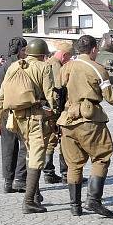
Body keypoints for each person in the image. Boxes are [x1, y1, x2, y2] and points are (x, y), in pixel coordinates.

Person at [57, 35, 113, 217]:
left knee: (73, 164)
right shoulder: (97, 68)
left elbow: (58, 90)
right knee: (101, 157)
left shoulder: (66, 67)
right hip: (90, 119)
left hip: (68, 119)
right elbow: (110, 96)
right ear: (94, 49)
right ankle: (93, 200)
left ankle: (75, 206)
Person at [0, 38, 56, 214]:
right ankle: (29, 200)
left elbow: (1, 97)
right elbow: (50, 95)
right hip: (35, 117)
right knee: (37, 156)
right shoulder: (43, 67)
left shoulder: (14, 66)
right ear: (43, 55)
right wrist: (55, 115)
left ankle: (35, 195)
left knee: (29, 153)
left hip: (15, 119)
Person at [0, 37, 29, 194]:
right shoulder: (21, 65)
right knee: (25, 146)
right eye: (24, 50)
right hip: (19, 111)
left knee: (8, 148)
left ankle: (8, 182)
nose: (26, 53)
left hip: (5, 111)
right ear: (19, 50)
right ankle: (20, 179)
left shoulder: (5, 65)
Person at [44, 42, 73, 184]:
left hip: (48, 109)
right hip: (56, 109)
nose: (68, 61)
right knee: (62, 139)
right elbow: (58, 89)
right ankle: (65, 173)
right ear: (64, 55)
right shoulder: (56, 65)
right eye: (68, 58)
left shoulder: (47, 62)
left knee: (50, 140)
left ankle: (49, 172)